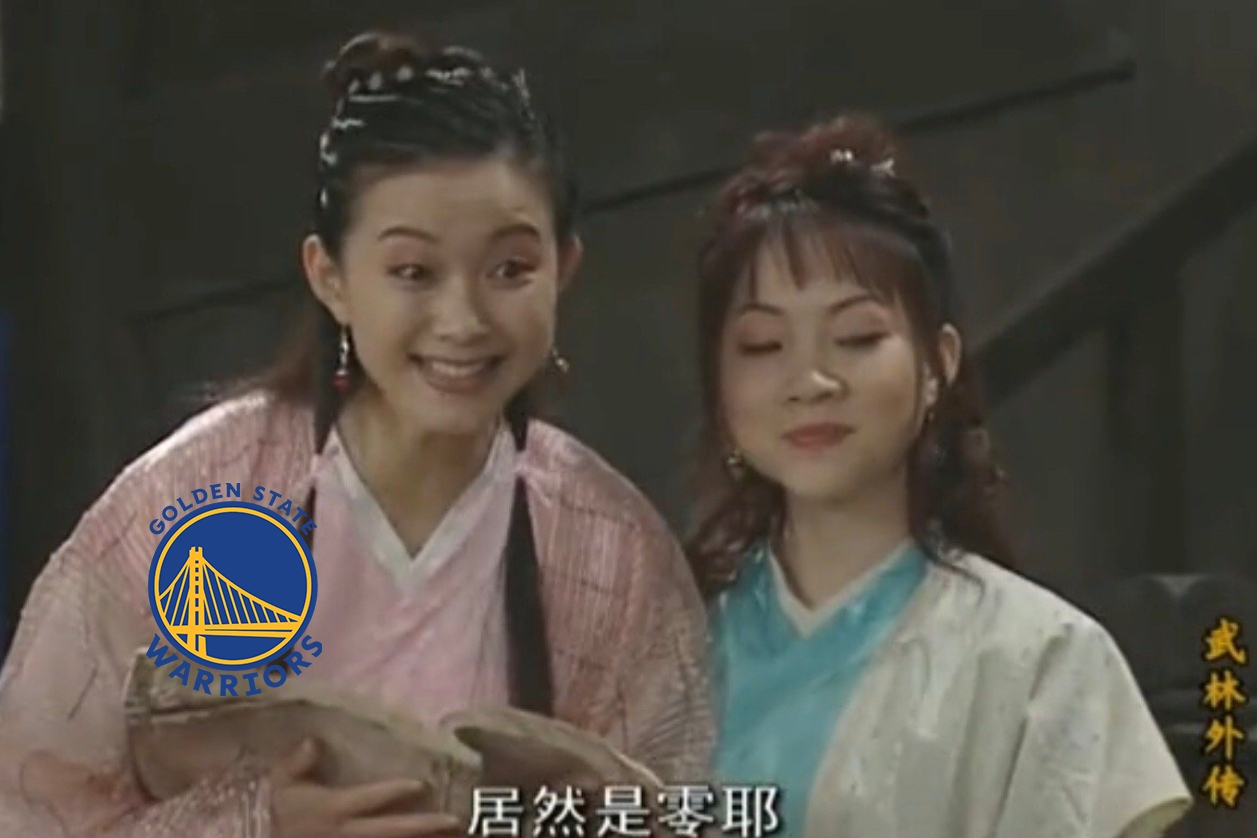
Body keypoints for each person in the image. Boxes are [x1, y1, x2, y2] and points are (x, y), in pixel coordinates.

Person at [0, 31, 712, 838]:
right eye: (412, 272)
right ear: (330, 278)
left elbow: (675, 803)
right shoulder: (199, 498)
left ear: (564, 269)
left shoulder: (609, 552)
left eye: (510, 270)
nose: (462, 320)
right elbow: (28, 804)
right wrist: (255, 824)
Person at [687, 115, 1190, 838]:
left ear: (937, 364)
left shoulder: (1042, 658)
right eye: (764, 345)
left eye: (857, 337)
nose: (810, 381)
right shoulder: (665, 648)